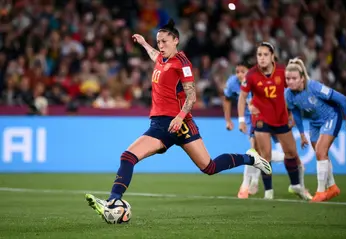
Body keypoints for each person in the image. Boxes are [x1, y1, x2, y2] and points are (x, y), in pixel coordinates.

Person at [84, 19, 271, 221]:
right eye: (158, 41)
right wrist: (145, 44)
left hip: (171, 122)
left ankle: (113, 201)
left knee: (128, 157)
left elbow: (192, 96)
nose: (160, 45)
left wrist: (180, 116)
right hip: (167, 124)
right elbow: (155, 56)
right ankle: (250, 158)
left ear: (176, 41)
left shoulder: (183, 63)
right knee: (209, 167)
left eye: (164, 41)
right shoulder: (162, 59)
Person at [238, 42, 311, 200]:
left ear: (272, 56)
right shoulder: (251, 75)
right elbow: (242, 97)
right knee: (266, 155)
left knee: (291, 153)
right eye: (259, 55)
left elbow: (292, 90)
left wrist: (291, 111)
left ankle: (295, 186)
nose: (262, 58)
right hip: (261, 119)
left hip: (280, 118)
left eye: (265, 55)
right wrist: (242, 120)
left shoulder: (282, 71)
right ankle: (268, 192)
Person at [285, 58, 346, 202]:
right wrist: (302, 135)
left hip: (331, 117)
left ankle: (320, 192)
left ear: (302, 79)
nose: (290, 81)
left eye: (294, 78)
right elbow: (297, 114)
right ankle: (332, 187)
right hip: (314, 123)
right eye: (287, 78)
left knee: (320, 151)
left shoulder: (314, 87)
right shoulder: (288, 94)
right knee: (321, 154)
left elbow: (342, 99)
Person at [222, 61, 285, 199]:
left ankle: (290, 160)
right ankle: (248, 185)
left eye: (242, 71)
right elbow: (227, 99)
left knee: (258, 152)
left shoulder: (259, 80)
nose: (239, 75)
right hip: (250, 120)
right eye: (237, 71)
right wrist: (231, 120)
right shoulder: (233, 82)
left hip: (266, 117)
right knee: (255, 151)